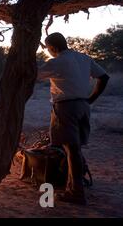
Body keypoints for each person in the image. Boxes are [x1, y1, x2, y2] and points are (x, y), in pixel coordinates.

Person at [38, 32, 109, 205]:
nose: (49, 52)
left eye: (48, 49)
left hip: (66, 108)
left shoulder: (57, 62)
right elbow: (104, 77)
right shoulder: (83, 58)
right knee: (75, 149)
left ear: (52, 48)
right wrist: (90, 99)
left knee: (72, 149)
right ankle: (73, 186)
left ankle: (76, 193)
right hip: (83, 106)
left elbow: (33, 74)